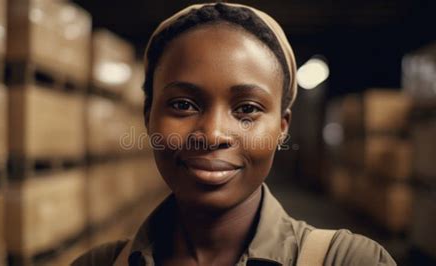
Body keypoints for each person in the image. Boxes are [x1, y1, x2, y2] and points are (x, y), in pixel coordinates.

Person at [73, 3, 396, 266]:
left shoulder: (348, 260)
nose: (212, 134)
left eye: (247, 109)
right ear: (148, 118)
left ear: (282, 128)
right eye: (184, 104)